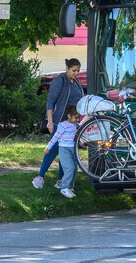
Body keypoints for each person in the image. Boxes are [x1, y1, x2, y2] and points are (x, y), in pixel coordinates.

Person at [32, 58, 84, 189]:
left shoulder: (76, 82)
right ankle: (39, 177)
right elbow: (50, 101)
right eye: (74, 70)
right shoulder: (60, 81)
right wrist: (50, 121)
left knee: (66, 151)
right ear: (67, 68)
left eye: (78, 71)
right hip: (57, 122)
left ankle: (61, 180)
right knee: (53, 149)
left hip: (71, 123)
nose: (76, 73)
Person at [44, 105, 80, 198]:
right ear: (69, 116)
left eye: (78, 118)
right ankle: (64, 187)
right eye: (76, 117)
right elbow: (55, 137)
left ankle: (70, 187)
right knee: (69, 168)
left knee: (75, 169)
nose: (77, 119)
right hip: (64, 149)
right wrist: (48, 147)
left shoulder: (76, 125)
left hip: (74, 149)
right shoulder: (62, 125)